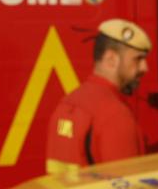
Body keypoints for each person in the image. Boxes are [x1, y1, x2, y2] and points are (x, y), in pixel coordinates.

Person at [44, 18, 152, 177]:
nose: (145, 68)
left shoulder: (68, 103)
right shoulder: (115, 115)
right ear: (111, 59)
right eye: (138, 59)